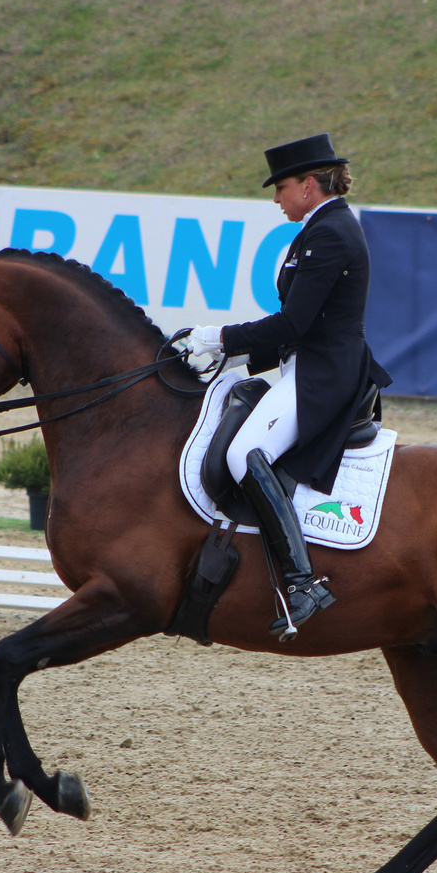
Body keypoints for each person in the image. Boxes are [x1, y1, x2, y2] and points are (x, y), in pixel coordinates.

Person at [181, 133, 392, 639]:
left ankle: (302, 582)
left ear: (308, 184)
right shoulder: (317, 229)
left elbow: (293, 323)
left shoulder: (333, 234)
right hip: (308, 364)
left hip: (325, 374)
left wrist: (218, 337)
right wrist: (228, 354)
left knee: (243, 453)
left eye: (281, 187)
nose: (275, 198)